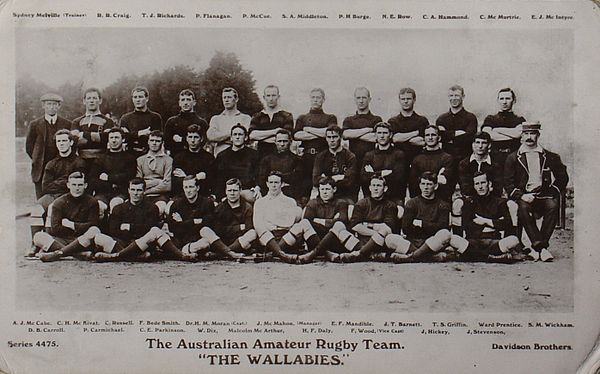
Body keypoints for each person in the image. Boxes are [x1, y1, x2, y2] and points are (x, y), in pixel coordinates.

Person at [504, 122, 569, 262]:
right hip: (524, 195)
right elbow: (508, 183)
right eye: (526, 133)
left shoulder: (550, 156)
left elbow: (563, 177)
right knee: (523, 208)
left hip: (543, 194)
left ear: (538, 135)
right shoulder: (513, 158)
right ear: (521, 136)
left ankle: (537, 248)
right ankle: (542, 248)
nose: (529, 137)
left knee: (552, 205)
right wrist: (521, 195)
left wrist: (553, 190)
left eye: (532, 133)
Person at [93, 178, 194, 262]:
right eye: (133, 190)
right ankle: (134, 256)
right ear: (128, 190)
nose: (135, 193)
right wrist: (136, 230)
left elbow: (149, 229)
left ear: (144, 191)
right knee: (98, 237)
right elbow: (113, 230)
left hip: (143, 243)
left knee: (155, 231)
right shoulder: (119, 208)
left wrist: (129, 227)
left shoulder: (151, 208)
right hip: (123, 243)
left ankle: (117, 256)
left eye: (139, 190)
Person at [385, 172, 464, 262]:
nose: (425, 187)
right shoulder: (412, 203)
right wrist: (431, 226)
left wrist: (421, 224)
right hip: (414, 242)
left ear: (436, 186)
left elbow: (443, 228)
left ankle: (411, 257)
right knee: (389, 239)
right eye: (423, 184)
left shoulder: (443, 205)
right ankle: (429, 256)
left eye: (429, 184)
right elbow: (406, 228)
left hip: (434, 243)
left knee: (445, 234)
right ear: (419, 185)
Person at [325, 174, 399, 263]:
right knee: (342, 232)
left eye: (379, 186)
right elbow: (355, 226)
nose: (375, 188)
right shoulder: (361, 203)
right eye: (373, 185)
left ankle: (358, 254)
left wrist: (367, 226)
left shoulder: (390, 205)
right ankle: (371, 255)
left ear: (385, 188)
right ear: (370, 188)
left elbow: (388, 228)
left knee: (386, 232)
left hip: (382, 243)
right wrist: (377, 233)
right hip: (360, 242)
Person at [167, 176, 243, 260]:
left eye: (191, 187)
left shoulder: (207, 203)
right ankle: (228, 253)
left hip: (203, 238)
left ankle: (228, 253)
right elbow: (174, 228)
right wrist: (195, 221)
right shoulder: (176, 204)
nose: (188, 190)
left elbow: (210, 224)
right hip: (185, 242)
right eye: (186, 187)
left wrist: (184, 223)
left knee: (205, 233)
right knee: (205, 240)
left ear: (197, 188)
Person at [31, 172, 100, 262]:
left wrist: (71, 225)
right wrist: (81, 226)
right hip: (62, 240)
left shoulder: (92, 202)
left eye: (80, 185)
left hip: (81, 240)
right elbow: (55, 229)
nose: (77, 188)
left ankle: (58, 254)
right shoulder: (59, 202)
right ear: (68, 185)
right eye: (74, 185)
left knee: (94, 230)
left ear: (85, 185)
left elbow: (93, 224)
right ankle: (77, 254)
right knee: (38, 236)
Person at [253, 171, 320, 264]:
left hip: (287, 238)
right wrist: (280, 222)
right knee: (261, 230)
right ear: (267, 184)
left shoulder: (290, 201)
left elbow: (290, 223)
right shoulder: (260, 202)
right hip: (269, 239)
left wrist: (273, 222)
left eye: (276, 182)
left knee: (305, 223)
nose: (273, 185)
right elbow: (258, 226)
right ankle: (281, 255)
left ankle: (272, 255)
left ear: (282, 184)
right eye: (271, 182)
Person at [462, 172, 521, 263]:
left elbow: (507, 224)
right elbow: (466, 225)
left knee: (514, 240)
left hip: (494, 241)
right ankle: (492, 257)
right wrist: (495, 223)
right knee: (454, 240)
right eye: (477, 184)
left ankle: (477, 256)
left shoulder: (500, 202)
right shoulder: (470, 202)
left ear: (489, 184)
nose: (480, 187)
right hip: (474, 241)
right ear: (474, 186)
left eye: (483, 183)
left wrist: (485, 221)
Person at [454, 131, 505, 235]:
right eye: (477, 142)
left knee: (510, 205)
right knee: (457, 204)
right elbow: (466, 187)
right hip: (472, 198)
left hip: (491, 198)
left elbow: (498, 186)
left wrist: (488, 196)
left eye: (484, 143)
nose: (480, 146)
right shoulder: (464, 163)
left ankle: (512, 242)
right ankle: (457, 239)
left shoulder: (496, 163)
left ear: (489, 145)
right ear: (473, 145)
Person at [294, 88, 338, 203]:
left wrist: (308, 129)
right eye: (313, 97)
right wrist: (321, 133)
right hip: (307, 157)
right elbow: (297, 135)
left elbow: (330, 133)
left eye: (318, 97)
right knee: (305, 188)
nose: (315, 100)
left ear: (323, 99)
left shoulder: (330, 117)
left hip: (324, 156)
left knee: (324, 186)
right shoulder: (302, 117)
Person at [25, 93, 72, 199]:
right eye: (49, 104)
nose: (51, 107)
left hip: (61, 168)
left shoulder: (67, 124)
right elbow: (29, 147)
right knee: (42, 202)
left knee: (61, 199)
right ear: (43, 106)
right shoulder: (35, 124)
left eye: (55, 104)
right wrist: (38, 159)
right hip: (40, 170)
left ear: (59, 106)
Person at [342, 87, 382, 197]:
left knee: (370, 195)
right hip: (353, 161)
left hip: (371, 162)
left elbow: (376, 138)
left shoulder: (376, 119)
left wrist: (355, 135)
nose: (361, 100)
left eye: (364, 97)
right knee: (351, 196)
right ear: (354, 99)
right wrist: (367, 130)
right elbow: (345, 134)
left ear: (369, 99)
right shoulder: (349, 120)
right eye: (358, 98)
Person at [89, 127, 137, 217]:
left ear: (123, 139)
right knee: (98, 206)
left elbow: (129, 177)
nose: (114, 141)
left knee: (115, 205)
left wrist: (108, 178)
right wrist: (112, 184)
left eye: (116, 137)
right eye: (111, 138)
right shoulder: (100, 158)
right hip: (103, 193)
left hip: (121, 193)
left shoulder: (130, 158)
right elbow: (93, 179)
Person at [360, 122, 407, 211]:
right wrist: (383, 173)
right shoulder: (369, 155)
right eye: (379, 133)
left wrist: (373, 173)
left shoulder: (399, 154)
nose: (382, 136)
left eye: (385, 133)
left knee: (399, 213)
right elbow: (364, 178)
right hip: (372, 198)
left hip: (393, 198)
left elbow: (399, 178)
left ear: (390, 135)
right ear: (375, 135)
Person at [302, 177, 350, 260]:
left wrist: (319, 221)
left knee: (339, 225)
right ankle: (327, 254)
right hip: (315, 239)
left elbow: (343, 221)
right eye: (322, 189)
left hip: (334, 241)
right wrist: (332, 221)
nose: (324, 192)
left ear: (334, 189)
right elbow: (307, 222)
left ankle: (313, 254)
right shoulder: (313, 203)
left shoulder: (341, 203)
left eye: (327, 189)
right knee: (305, 224)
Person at [211, 178, 258, 258]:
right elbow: (219, 230)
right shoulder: (220, 208)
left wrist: (229, 229)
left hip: (241, 241)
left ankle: (223, 254)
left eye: (235, 190)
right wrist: (239, 227)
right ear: (226, 191)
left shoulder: (247, 207)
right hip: (225, 241)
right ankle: (229, 252)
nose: (232, 193)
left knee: (252, 233)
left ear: (240, 191)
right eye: (229, 191)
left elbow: (248, 228)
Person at [213, 124, 261, 203]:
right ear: (231, 138)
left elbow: (259, 174)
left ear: (245, 137)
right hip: (228, 193)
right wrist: (220, 196)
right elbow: (218, 179)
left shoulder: (254, 155)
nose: (237, 137)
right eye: (235, 134)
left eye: (240, 134)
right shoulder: (222, 156)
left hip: (247, 192)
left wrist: (257, 187)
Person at [482, 88, 526, 170]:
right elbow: (487, 135)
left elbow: (517, 134)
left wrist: (497, 130)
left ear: (514, 100)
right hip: (494, 158)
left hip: (514, 157)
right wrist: (512, 134)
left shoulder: (519, 119)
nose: (504, 102)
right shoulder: (490, 119)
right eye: (501, 99)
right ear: (498, 100)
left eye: (508, 98)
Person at [312, 125, 357, 203]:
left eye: (335, 137)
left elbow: (350, 182)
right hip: (324, 197)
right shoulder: (320, 156)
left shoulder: (350, 156)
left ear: (341, 137)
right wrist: (338, 178)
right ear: (326, 138)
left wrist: (325, 178)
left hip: (344, 196)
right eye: (329, 137)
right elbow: (315, 180)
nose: (332, 140)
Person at [249, 85, 294, 162]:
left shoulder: (286, 116)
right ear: (264, 97)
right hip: (261, 156)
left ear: (278, 96)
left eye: (273, 95)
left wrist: (261, 137)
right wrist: (275, 131)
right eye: (268, 96)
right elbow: (252, 135)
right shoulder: (257, 116)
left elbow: (286, 137)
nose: (271, 99)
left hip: (282, 157)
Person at [71, 87, 116, 165]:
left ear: (100, 100)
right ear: (84, 101)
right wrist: (97, 137)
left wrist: (84, 135)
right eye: (89, 98)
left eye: (94, 98)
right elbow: (75, 140)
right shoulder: (77, 121)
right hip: (81, 161)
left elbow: (105, 138)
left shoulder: (108, 121)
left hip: (101, 161)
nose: (91, 101)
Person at [388, 87, 428, 172]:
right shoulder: (393, 121)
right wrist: (416, 132)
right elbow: (395, 139)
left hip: (418, 159)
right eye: (403, 99)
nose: (405, 101)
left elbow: (422, 141)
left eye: (408, 98)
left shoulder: (422, 120)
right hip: (397, 161)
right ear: (399, 100)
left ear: (414, 100)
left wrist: (402, 137)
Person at [408, 125, 453, 201]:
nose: (430, 138)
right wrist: (436, 178)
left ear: (439, 138)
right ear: (424, 138)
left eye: (433, 135)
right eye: (427, 135)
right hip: (421, 201)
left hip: (441, 200)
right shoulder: (417, 159)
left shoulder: (447, 158)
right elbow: (413, 185)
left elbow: (446, 183)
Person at [436, 85, 478, 165]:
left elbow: (468, 139)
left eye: (457, 95)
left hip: (465, 159)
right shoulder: (441, 119)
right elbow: (440, 138)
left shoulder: (471, 118)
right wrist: (457, 134)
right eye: (451, 96)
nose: (453, 98)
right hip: (446, 160)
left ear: (463, 97)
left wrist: (448, 135)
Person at [257, 129, 304, 202]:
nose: (282, 144)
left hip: (290, 194)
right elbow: (262, 179)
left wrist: (274, 176)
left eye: (285, 141)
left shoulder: (297, 159)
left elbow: (297, 178)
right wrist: (285, 179)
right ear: (275, 142)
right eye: (279, 141)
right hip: (270, 194)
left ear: (290, 142)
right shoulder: (267, 160)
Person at [119, 86, 164, 157]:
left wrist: (131, 135)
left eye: (140, 97)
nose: (138, 100)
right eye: (135, 97)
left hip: (149, 155)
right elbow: (123, 138)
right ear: (132, 99)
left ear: (147, 99)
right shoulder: (125, 118)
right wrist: (140, 133)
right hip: (129, 155)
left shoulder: (155, 117)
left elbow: (157, 138)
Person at [206, 87, 252, 156]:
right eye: (224, 98)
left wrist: (220, 138)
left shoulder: (245, 118)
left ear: (236, 99)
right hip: (220, 157)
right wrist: (235, 135)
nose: (226, 100)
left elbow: (247, 138)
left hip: (240, 157)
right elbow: (211, 136)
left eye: (229, 97)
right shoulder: (216, 119)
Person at [136, 131, 172, 215]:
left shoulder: (168, 160)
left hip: (160, 196)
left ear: (162, 143)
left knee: (158, 210)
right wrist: (157, 181)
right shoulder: (140, 160)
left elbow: (167, 185)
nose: (154, 143)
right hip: (142, 195)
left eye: (157, 141)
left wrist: (147, 190)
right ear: (148, 142)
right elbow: (138, 182)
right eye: (152, 140)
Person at [172, 124, 215, 197]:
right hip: (182, 196)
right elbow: (176, 182)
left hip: (202, 196)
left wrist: (185, 177)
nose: (192, 140)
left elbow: (210, 182)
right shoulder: (179, 157)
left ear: (201, 139)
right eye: (190, 137)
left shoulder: (208, 158)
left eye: (196, 137)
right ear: (186, 138)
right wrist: (197, 177)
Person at [164, 89, 209, 156]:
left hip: (196, 159)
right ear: (179, 103)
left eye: (188, 99)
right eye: (183, 100)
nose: (185, 103)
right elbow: (167, 144)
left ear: (194, 102)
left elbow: (204, 143)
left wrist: (181, 140)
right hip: (176, 158)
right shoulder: (172, 122)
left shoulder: (202, 123)